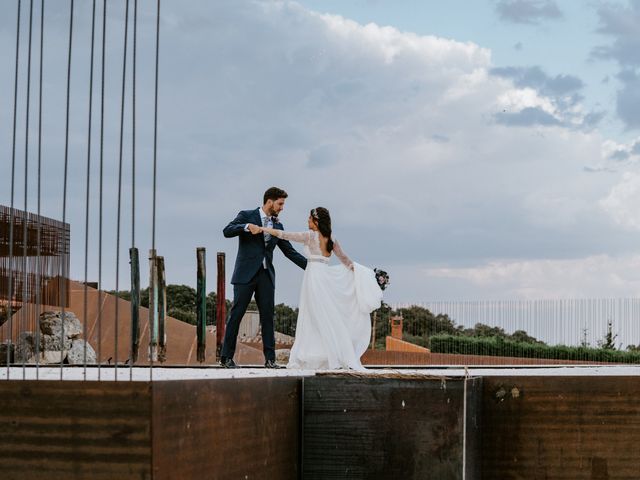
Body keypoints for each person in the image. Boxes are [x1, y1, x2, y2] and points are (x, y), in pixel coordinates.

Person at [260, 207, 383, 370]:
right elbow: (345, 260)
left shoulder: (310, 236)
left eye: (309, 218)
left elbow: (285, 235)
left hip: (313, 277)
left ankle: (319, 354)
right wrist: (361, 274)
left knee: (313, 315)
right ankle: (326, 353)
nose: (307, 221)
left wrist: (262, 229)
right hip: (324, 274)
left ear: (316, 221)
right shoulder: (331, 238)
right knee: (324, 314)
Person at [220, 187, 307, 368]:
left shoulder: (278, 227)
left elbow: (289, 252)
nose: (282, 208)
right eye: (280, 204)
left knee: (268, 317)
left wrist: (312, 267)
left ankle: (270, 360)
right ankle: (226, 358)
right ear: (270, 201)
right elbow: (227, 230)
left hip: (266, 276)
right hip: (245, 274)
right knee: (236, 315)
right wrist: (245, 227)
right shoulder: (247, 215)